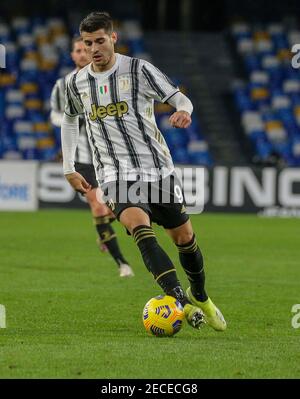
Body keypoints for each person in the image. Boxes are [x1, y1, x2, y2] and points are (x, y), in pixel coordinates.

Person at [61, 11, 226, 331]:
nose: (94, 48)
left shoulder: (139, 70)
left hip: (157, 170)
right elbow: (69, 119)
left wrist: (182, 111)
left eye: (99, 41)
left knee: (185, 239)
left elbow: (181, 99)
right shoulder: (76, 82)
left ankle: (200, 296)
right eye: (87, 43)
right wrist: (69, 167)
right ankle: (180, 301)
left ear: (113, 38)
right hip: (114, 174)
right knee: (139, 229)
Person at [51, 36, 134, 278]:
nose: (82, 53)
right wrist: (74, 117)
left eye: (85, 48)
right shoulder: (63, 85)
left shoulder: (107, 80)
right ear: (72, 55)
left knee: (115, 208)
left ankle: (104, 232)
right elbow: (56, 116)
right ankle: (122, 264)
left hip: (109, 155)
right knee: (98, 205)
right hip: (82, 159)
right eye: (77, 50)